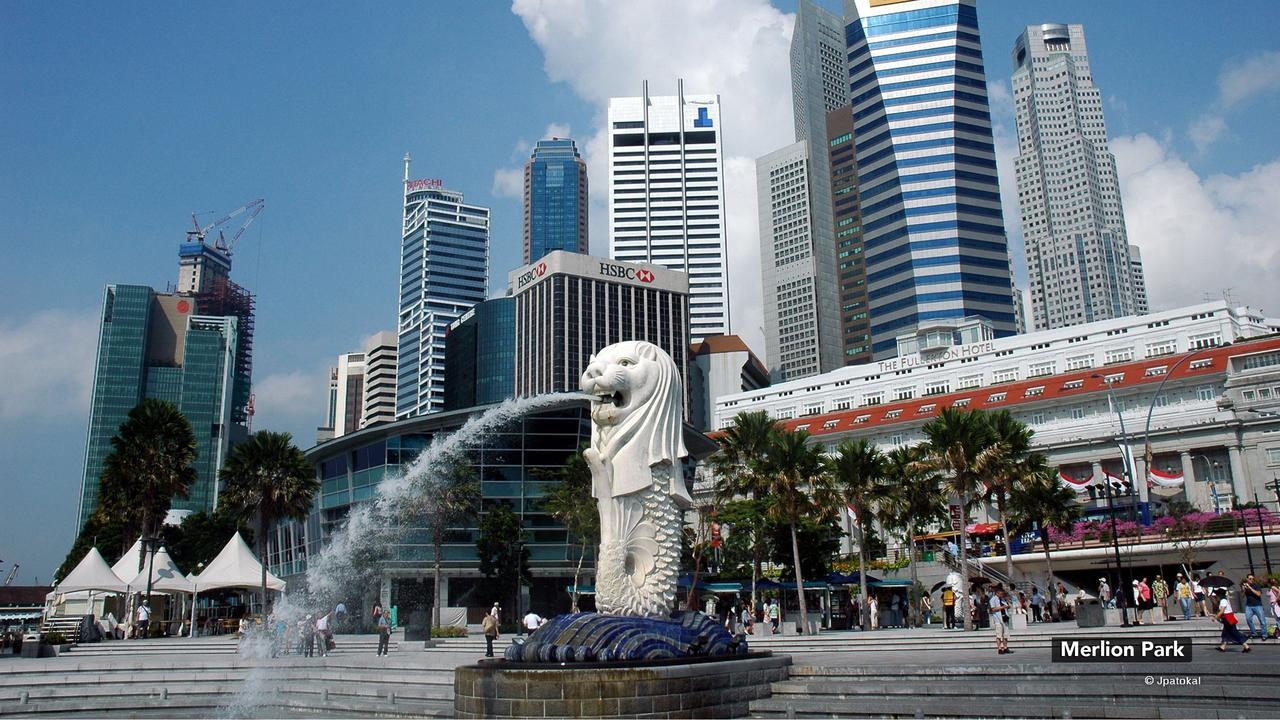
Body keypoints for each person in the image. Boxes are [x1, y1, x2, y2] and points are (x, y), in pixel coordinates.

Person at [1214, 588, 1251, 653]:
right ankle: (1223, 647)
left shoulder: (1223, 601)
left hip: (1228, 619)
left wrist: (1216, 617)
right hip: (1227, 618)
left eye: (1217, 594)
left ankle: (1246, 646)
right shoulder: (1223, 600)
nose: (1216, 596)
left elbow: (1222, 611)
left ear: (1219, 595)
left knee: (1234, 632)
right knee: (1225, 632)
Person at [1241, 574, 1267, 641]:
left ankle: (1264, 634)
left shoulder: (1256, 585)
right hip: (1249, 606)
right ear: (1247, 579)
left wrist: (1250, 587)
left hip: (1258, 605)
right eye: (1250, 578)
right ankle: (1254, 633)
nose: (1251, 580)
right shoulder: (1245, 586)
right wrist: (1244, 589)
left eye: (1252, 579)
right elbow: (1242, 596)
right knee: (1248, 619)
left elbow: (1258, 594)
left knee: (1262, 621)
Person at [990, 587, 1012, 655]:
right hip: (998, 619)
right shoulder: (993, 599)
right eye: (1000, 594)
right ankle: (999, 648)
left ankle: (1005, 647)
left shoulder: (1003, 599)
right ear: (997, 593)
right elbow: (993, 609)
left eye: (1002, 594)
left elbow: (1006, 606)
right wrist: (1003, 607)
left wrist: (1007, 606)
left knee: (1006, 634)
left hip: (1005, 618)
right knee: (999, 635)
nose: (1001, 595)